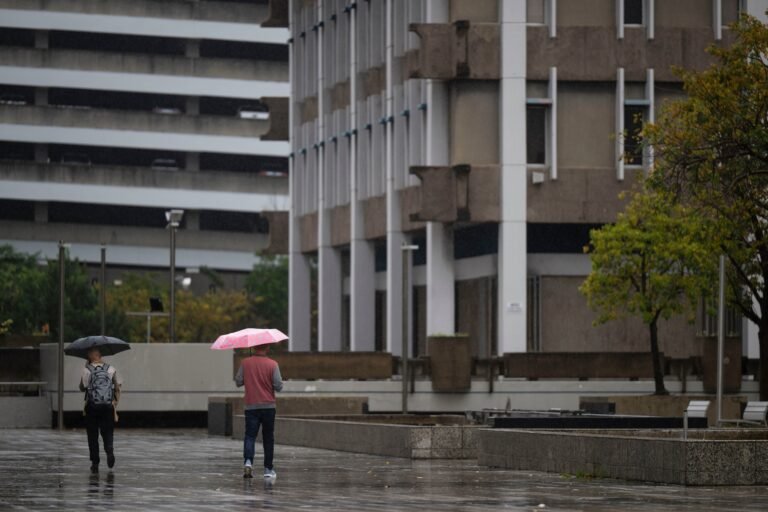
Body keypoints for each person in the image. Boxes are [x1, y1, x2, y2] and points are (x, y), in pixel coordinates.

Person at [234, 344, 283, 479]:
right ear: (267, 348)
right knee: (268, 437)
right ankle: (268, 469)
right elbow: (279, 386)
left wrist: (249, 376)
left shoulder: (245, 363)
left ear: (254, 348)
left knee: (250, 436)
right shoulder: (273, 364)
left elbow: (238, 382)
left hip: (251, 406)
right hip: (268, 407)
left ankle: (248, 462)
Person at [79, 347, 122, 473]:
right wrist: (114, 403)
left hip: (92, 406)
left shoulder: (86, 370)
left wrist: (86, 370)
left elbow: (82, 387)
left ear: (91, 356)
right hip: (107, 406)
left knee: (92, 434)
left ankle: (95, 462)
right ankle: (109, 450)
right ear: (100, 355)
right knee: (107, 431)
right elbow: (117, 387)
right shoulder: (111, 369)